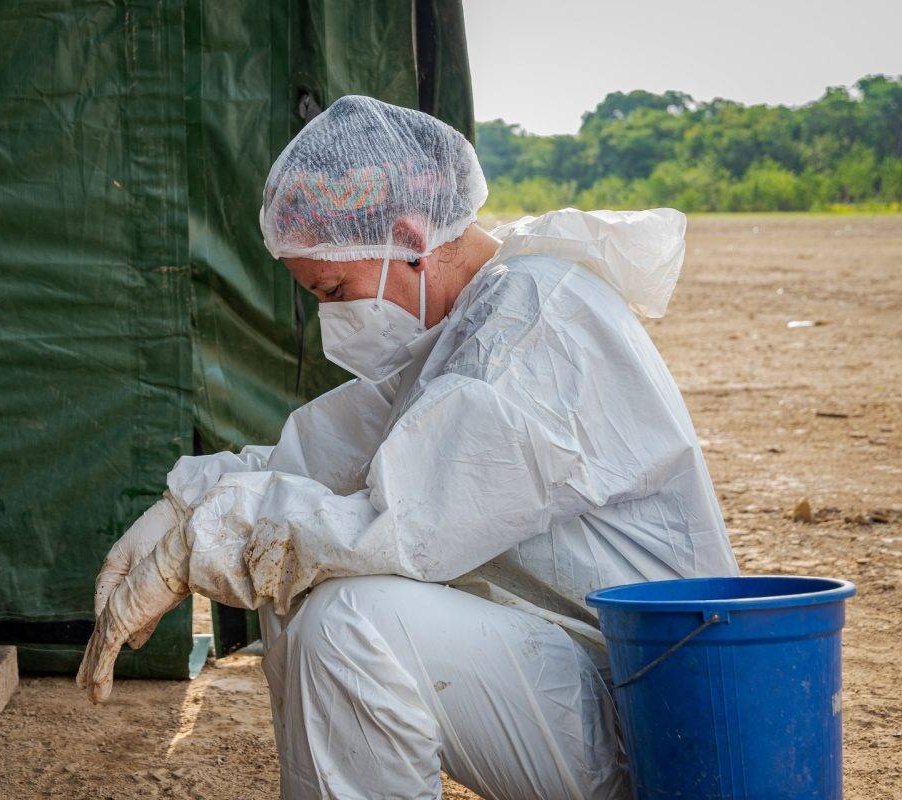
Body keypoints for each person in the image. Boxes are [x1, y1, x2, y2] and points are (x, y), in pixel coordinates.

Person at [78, 96, 739, 800]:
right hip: (595, 678)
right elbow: (323, 460)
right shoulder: (474, 322)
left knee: (347, 620)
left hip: (662, 721)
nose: (331, 317)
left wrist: (202, 545)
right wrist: (185, 505)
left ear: (408, 237)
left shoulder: (532, 329)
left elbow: (393, 526)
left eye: (335, 288)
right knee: (298, 581)